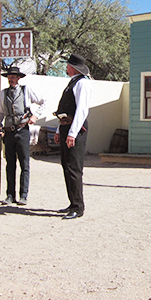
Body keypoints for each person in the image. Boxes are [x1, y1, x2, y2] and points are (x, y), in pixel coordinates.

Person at [0, 66, 46, 206]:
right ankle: (10, 195)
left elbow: (43, 102)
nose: (11, 79)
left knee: (24, 163)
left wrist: (35, 116)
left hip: (23, 131)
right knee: (10, 164)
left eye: (14, 76)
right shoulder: (3, 94)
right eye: (9, 77)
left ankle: (23, 195)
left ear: (19, 78)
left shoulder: (26, 90)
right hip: (9, 131)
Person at [54, 53, 91, 220]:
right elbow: (65, 110)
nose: (66, 68)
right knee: (67, 166)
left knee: (74, 168)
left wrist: (72, 133)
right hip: (66, 127)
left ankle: (78, 206)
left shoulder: (82, 83)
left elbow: (82, 110)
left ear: (74, 68)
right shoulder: (72, 83)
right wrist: (58, 130)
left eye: (68, 65)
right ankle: (72, 203)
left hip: (75, 129)